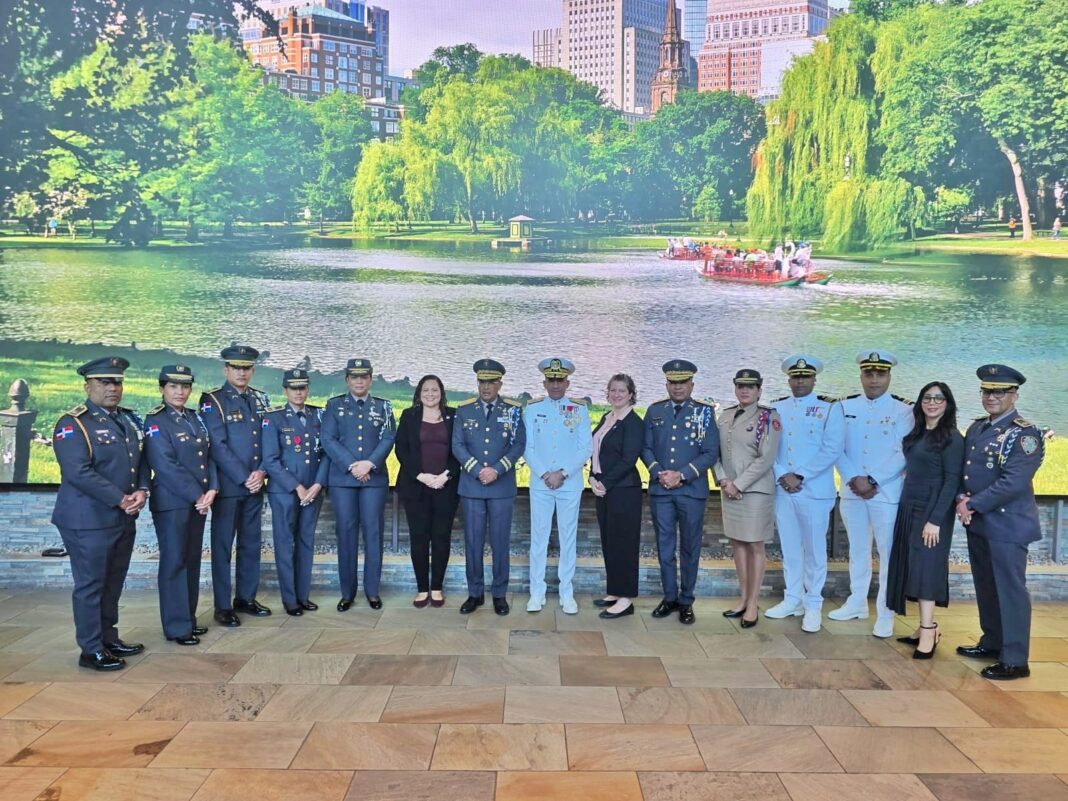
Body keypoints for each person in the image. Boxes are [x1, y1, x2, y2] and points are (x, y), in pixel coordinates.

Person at [51, 356, 148, 670]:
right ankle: (90, 649)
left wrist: (142, 490)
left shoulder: (128, 420)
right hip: (87, 519)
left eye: (117, 382)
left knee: (113, 581)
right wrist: (121, 498)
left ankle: (109, 637)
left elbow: (141, 462)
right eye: (104, 382)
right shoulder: (73, 423)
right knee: (91, 584)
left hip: (122, 515)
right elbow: (78, 472)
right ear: (87, 386)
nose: (112, 388)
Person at [955, 364, 1044, 680]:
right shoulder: (979, 428)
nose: (992, 397)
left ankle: (1015, 659)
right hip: (979, 522)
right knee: (987, 586)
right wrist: (961, 501)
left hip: (1007, 525)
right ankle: (992, 642)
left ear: (1014, 394)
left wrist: (972, 503)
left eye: (1000, 391)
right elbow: (965, 471)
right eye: (987, 391)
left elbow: (1014, 482)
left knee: (1010, 590)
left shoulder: (1024, 434)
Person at [829, 351, 915, 638]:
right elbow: (836, 447)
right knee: (857, 549)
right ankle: (857, 602)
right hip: (853, 491)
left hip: (885, 493)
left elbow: (903, 452)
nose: (874, 379)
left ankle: (886, 612)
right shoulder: (843, 407)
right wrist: (853, 477)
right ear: (861, 375)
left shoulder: (904, 411)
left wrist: (873, 479)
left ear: (889, 376)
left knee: (888, 554)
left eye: (880, 373)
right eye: (869, 373)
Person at [766, 355, 845, 633]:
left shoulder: (829, 408)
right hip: (783, 489)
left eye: (805, 377)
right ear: (789, 379)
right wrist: (780, 474)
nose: (800, 381)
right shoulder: (775, 408)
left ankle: (813, 605)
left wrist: (799, 474)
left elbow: (832, 448)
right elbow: (768, 447)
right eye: (795, 377)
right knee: (789, 549)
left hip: (813, 490)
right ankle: (793, 599)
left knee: (814, 552)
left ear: (814, 379)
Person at [885, 381, 964, 658]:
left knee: (926, 569)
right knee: (911, 564)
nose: (932, 402)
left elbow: (952, 480)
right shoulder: (918, 432)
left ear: (947, 403)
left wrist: (936, 520)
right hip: (910, 505)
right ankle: (923, 628)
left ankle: (929, 629)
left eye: (938, 398)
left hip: (931, 510)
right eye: (927, 398)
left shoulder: (952, 437)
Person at [641, 359, 719, 625]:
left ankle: (687, 600)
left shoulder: (705, 412)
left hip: (691, 491)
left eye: (683, 382)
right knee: (664, 547)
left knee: (689, 547)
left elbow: (711, 452)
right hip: (661, 489)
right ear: (667, 384)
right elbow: (645, 448)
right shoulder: (654, 411)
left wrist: (682, 474)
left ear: (692, 384)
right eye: (673, 382)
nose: (677, 387)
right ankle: (670, 597)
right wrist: (659, 473)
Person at [144, 364, 217, 645]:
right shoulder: (155, 421)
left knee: (191, 560)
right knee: (175, 562)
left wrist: (212, 488)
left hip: (198, 502)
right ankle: (176, 627)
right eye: (173, 386)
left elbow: (208, 455)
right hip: (173, 502)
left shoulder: (194, 418)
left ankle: (188, 618)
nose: (180, 392)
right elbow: (165, 465)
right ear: (162, 388)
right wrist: (198, 495)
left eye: (185, 386)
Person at [199, 345, 271, 627]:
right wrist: (245, 476)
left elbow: (268, 439)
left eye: (246, 368)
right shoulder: (213, 401)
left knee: (251, 544)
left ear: (253, 370)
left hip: (255, 485)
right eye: (236, 368)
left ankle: (245, 598)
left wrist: (262, 471)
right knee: (222, 546)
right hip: (229, 487)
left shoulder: (260, 399)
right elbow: (216, 444)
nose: (242, 373)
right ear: (226, 370)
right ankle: (222, 605)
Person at [321, 358, 396, 611]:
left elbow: (388, 438)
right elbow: (328, 438)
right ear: (347, 380)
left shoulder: (384, 407)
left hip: (373, 480)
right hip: (343, 480)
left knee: (373, 534)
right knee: (346, 534)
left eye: (364, 377)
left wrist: (369, 464)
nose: (360, 381)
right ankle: (347, 592)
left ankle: (372, 591)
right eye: (355, 377)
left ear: (371, 379)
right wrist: (353, 465)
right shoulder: (334, 406)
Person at [452, 359, 526, 616]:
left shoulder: (513, 410)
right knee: (473, 542)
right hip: (472, 487)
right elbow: (457, 445)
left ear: (500, 384)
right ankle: (474, 593)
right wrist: (476, 469)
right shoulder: (464, 410)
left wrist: (497, 469)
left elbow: (518, 444)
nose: (486, 387)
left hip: (501, 486)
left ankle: (499, 594)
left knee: (500, 542)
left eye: (491, 382)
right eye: (482, 382)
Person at [713, 369, 782, 629]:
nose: (745, 390)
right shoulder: (725, 415)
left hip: (754, 491)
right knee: (737, 544)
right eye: (740, 386)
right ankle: (743, 599)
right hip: (728, 488)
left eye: (750, 387)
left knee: (755, 545)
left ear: (759, 390)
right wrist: (723, 480)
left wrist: (738, 484)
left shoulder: (768, 417)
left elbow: (766, 458)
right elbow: (715, 453)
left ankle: (753, 603)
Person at [523, 358, 592, 615]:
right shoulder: (531, 409)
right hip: (541, 484)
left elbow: (585, 448)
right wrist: (544, 474)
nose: (555, 384)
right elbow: (527, 447)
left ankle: (566, 592)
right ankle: (536, 592)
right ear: (544, 382)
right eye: (550, 380)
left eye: (559, 380)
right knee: (538, 538)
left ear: (567, 382)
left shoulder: (579, 409)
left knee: (567, 538)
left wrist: (562, 473)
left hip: (569, 483)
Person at [262, 369, 329, 616]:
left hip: (313, 491)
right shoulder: (274, 418)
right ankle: (289, 599)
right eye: (293, 388)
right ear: (285, 391)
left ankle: (303, 596)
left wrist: (318, 484)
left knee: (306, 543)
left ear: (307, 389)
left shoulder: (318, 415)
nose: (299, 392)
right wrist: (298, 487)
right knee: (284, 543)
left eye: (302, 388)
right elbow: (270, 460)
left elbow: (326, 453)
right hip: (285, 491)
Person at [394, 374, 460, 608]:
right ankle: (422, 588)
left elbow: (459, 449)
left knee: (441, 538)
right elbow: (401, 450)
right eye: (425, 390)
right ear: (418, 394)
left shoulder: (454, 416)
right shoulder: (409, 416)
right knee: (419, 538)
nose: (430, 394)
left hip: (446, 487)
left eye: (435, 390)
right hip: (416, 487)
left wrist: (444, 476)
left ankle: (437, 588)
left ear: (441, 392)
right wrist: (421, 476)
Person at [590, 374, 644, 619]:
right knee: (609, 541)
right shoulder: (607, 417)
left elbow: (628, 460)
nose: (616, 394)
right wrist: (592, 477)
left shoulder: (633, 422)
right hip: (604, 490)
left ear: (631, 393)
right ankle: (614, 591)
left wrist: (604, 482)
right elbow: (596, 451)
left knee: (624, 545)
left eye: (622, 390)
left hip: (623, 492)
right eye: (612, 390)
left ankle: (625, 599)